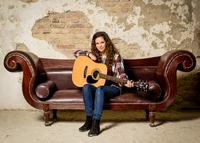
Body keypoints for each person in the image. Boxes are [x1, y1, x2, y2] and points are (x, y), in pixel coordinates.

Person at [74, 31, 134, 137]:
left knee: (100, 89)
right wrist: (88, 54)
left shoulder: (116, 57)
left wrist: (126, 82)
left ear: (107, 42)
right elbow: (76, 53)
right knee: (86, 87)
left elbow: (121, 73)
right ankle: (88, 120)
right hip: (98, 86)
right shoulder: (94, 56)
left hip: (113, 87)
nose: (100, 45)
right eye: (97, 43)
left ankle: (96, 122)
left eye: (102, 42)